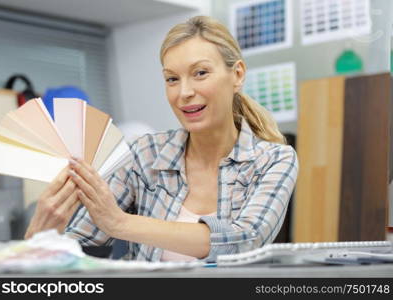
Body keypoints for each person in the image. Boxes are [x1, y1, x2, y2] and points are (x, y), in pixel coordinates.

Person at [25, 16, 298, 262]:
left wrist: (120, 223)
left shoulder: (274, 160)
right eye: (172, 79)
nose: (184, 92)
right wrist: (40, 236)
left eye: (200, 73)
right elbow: (82, 248)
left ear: (237, 75)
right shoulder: (142, 153)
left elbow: (243, 241)